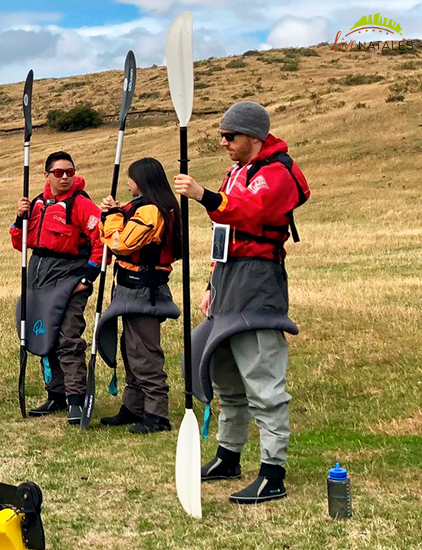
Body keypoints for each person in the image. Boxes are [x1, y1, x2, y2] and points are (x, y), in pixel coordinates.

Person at [174, 101, 310, 504]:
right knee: (226, 376)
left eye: (229, 136)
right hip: (227, 280)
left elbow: (250, 211)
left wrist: (203, 195)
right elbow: (225, 229)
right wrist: (211, 283)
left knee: (262, 379)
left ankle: (273, 472)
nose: (223, 143)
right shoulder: (237, 171)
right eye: (221, 135)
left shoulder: (278, 172)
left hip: (258, 281)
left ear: (253, 136)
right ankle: (228, 455)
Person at [10, 152, 104, 424]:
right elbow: (19, 243)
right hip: (39, 278)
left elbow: (102, 239)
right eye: (59, 172)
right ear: (47, 175)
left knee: (68, 338)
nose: (65, 177)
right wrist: (19, 219)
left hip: (69, 278)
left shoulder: (81, 204)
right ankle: (55, 395)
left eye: (69, 172)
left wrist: (87, 278)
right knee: (44, 335)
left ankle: (76, 399)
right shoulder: (37, 204)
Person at [95, 157, 182, 434]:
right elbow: (113, 236)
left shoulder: (151, 211)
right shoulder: (144, 207)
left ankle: (157, 415)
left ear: (142, 180)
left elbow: (121, 244)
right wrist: (112, 214)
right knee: (131, 349)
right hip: (131, 287)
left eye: (130, 178)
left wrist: (113, 217)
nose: (127, 183)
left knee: (145, 353)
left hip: (144, 290)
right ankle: (133, 406)